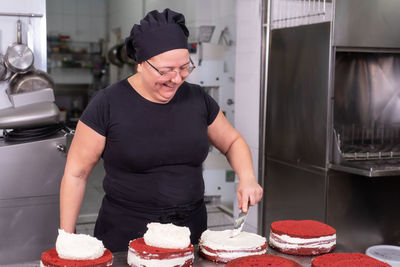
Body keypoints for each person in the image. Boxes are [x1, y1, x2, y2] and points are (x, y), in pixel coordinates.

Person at [59, 8, 263, 252]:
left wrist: (247, 177)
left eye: (184, 68)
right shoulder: (107, 104)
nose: (177, 79)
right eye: (166, 71)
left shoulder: (198, 99)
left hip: (190, 231)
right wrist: (67, 237)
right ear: (141, 64)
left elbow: (232, 142)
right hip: (127, 235)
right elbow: (76, 174)